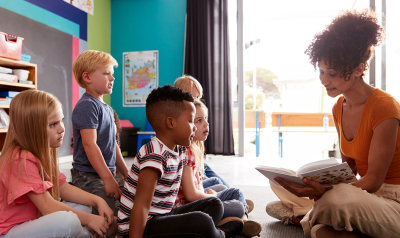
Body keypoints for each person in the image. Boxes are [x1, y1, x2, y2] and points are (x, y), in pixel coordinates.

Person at [266, 9, 400, 238]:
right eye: (321, 70)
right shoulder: (339, 106)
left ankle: (308, 217)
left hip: (391, 200)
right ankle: (320, 220)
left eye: (333, 73)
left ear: (359, 69)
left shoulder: (384, 107)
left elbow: (374, 181)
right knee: (280, 181)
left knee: (337, 200)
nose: (323, 79)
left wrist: (327, 191)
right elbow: (350, 171)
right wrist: (316, 183)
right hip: (364, 197)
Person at [117, 85, 244, 238]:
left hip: (164, 215)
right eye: (191, 121)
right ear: (170, 123)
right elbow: (142, 207)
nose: (194, 128)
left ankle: (209, 232)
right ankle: (222, 233)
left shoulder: (181, 149)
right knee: (201, 221)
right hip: (142, 226)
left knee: (214, 204)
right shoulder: (154, 155)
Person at [0, 90, 115, 238]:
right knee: (68, 221)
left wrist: (98, 200)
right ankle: (90, 235)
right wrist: (90, 219)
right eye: (53, 124)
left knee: (83, 207)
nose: (62, 129)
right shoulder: (20, 159)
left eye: (61, 120)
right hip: (10, 232)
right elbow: (48, 207)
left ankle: (86, 232)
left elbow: (63, 188)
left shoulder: (40, 155)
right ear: (31, 129)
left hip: (33, 221)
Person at [174, 99, 262, 237]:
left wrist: (208, 194)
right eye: (198, 121)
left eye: (206, 119)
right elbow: (191, 195)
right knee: (237, 204)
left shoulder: (194, 148)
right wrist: (211, 197)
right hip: (190, 208)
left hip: (197, 201)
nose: (206, 124)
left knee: (225, 188)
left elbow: (198, 187)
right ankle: (240, 221)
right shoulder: (187, 151)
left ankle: (237, 220)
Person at [70, 50, 129, 221]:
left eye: (113, 74)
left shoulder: (107, 109)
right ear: (87, 77)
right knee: (110, 215)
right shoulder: (87, 105)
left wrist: (127, 174)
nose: (113, 78)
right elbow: (90, 145)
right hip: (88, 175)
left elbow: (113, 145)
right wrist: (108, 179)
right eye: (106, 73)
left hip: (106, 173)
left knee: (134, 196)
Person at [174, 75, 230, 188]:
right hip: (189, 172)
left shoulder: (196, 123)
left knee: (225, 185)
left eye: (198, 97)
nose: (195, 101)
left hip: (200, 167)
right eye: (191, 97)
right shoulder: (181, 127)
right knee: (219, 185)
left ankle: (231, 198)